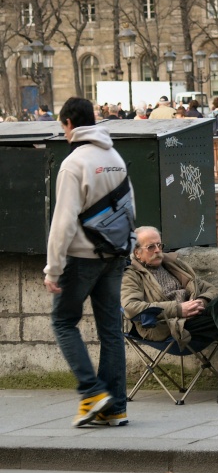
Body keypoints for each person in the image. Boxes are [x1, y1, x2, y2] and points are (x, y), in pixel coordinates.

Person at [43, 97, 133, 427]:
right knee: (111, 331)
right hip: (114, 254)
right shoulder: (114, 156)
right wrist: (127, 246)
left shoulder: (73, 163)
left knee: (63, 322)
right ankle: (115, 407)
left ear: (68, 123)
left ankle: (92, 392)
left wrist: (52, 269)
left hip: (81, 257)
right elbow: (129, 206)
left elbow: (63, 222)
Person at [121, 226, 218, 405]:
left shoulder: (174, 264)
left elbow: (211, 289)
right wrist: (178, 309)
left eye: (159, 245)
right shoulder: (131, 276)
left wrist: (201, 301)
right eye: (151, 247)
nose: (158, 251)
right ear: (137, 253)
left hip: (193, 316)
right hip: (165, 325)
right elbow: (131, 307)